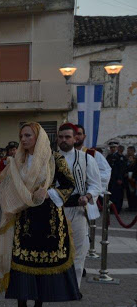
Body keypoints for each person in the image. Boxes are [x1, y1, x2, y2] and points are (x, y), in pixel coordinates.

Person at [0, 122, 80, 307]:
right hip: (23, 217)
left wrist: (49, 193)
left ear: (38, 137)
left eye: (28, 135)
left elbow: (70, 184)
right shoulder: (18, 161)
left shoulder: (54, 159)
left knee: (43, 263)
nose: (23, 139)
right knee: (20, 261)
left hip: (48, 219)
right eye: (21, 135)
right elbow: (6, 185)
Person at [57, 123, 102, 291]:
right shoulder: (50, 158)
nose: (64, 140)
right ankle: (56, 286)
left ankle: (73, 288)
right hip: (56, 209)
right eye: (61, 137)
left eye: (67, 137)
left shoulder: (86, 159)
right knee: (56, 249)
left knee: (78, 250)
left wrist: (88, 196)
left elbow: (96, 185)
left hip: (77, 209)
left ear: (75, 138)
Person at [74, 124, 111, 190]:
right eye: (74, 134)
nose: (76, 136)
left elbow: (105, 174)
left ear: (84, 136)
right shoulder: (63, 155)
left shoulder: (94, 154)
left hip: (88, 195)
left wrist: (87, 180)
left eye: (79, 134)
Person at [107, 141, 126, 212]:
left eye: (114, 147)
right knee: (111, 194)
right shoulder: (109, 156)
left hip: (117, 179)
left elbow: (122, 169)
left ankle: (117, 209)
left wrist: (120, 178)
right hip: (110, 179)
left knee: (118, 194)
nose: (112, 149)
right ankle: (112, 208)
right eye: (111, 147)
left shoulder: (120, 157)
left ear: (117, 148)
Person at [124, 146, 137, 211]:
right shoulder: (125, 158)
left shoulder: (136, 159)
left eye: (130, 151)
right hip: (127, 178)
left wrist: (134, 177)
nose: (128, 152)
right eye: (128, 150)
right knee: (128, 192)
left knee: (134, 192)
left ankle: (134, 206)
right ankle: (130, 206)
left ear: (133, 151)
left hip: (134, 178)